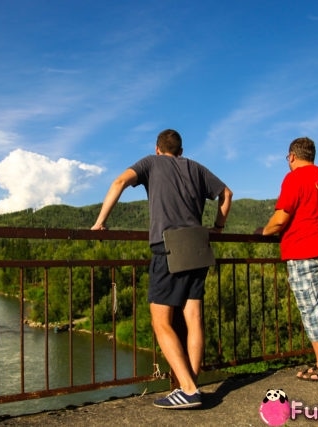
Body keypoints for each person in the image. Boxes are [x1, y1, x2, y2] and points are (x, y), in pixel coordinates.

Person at [91, 129, 232, 408]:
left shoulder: (150, 163)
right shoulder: (195, 167)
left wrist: (100, 222)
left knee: (160, 321)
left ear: (158, 149)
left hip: (168, 247)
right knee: (193, 318)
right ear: (180, 151)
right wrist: (218, 227)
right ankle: (190, 384)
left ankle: (188, 389)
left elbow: (119, 181)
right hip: (198, 244)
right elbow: (226, 193)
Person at [257, 137, 318, 383]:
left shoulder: (294, 178)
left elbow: (280, 219)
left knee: (312, 308)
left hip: (305, 249)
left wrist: (262, 231)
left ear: (292, 156)